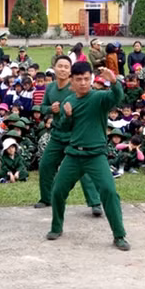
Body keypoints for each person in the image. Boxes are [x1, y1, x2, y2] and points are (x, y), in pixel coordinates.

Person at [47, 63, 129, 250]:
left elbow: (116, 97)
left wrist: (114, 82)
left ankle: (119, 235)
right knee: (58, 190)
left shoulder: (99, 98)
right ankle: (56, 227)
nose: (83, 83)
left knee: (109, 191)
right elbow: (63, 127)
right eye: (79, 79)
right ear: (72, 81)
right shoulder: (69, 101)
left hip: (96, 155)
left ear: (91, 79)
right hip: (74, 154)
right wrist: (66, 115)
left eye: (86, 79)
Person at [35, 56, 103, 216]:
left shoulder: (75, 88)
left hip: (76, 135)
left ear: (71, 70)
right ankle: (46, 198)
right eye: (60, 66)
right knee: (45, 164)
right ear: (54, 68)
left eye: (66, 67)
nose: (63, 69)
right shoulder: (50, 87)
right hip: (57, 134)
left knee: (83, 169)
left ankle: (95, 203)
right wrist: (50, 109)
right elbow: (42, 107)